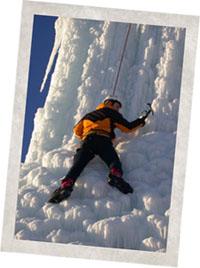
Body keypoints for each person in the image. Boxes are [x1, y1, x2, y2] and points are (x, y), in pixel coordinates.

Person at [48, 95, 147, 203]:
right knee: (113, 160)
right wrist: (141, 121)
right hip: (103, 140)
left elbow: (77, 130)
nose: (118, 109)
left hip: (88, 140)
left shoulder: (88, 115)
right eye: (117, 106)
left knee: (78, 164)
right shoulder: (112, 113)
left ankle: (66, 184)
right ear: (109, 103)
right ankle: (115, 176)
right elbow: (127, 128)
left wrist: (86, 135)